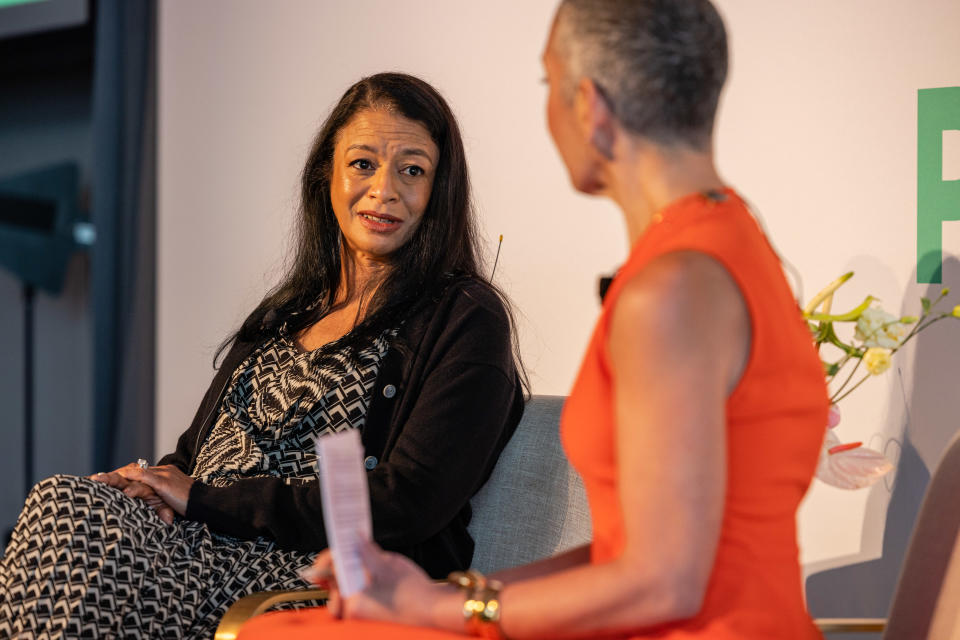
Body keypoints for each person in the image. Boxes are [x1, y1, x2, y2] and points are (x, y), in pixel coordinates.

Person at [236, 1, 830, 639]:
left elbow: (666, 582)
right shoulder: (732, 242)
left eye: (550, 86)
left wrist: (446, 611)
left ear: (589, 105)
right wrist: (455, 596)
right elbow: (635, 555)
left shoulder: (673, 290)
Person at [0, 72, 525, 639]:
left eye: (412, 170)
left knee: (74, 553)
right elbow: (191, 455)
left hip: (301, 571)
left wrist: (206, 499)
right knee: (67, 503)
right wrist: (151, 484)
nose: (384, 190)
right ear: (327, 174)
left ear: (440, 188)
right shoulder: (289, 311)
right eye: (363, 163)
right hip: (196, 542)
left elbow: (407, 504)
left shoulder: (465, 315)